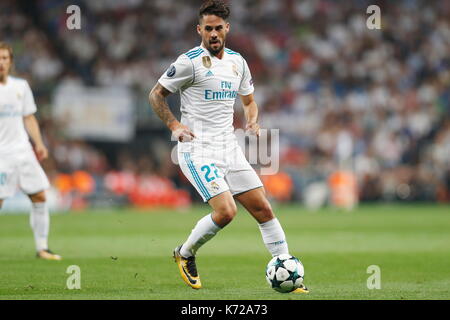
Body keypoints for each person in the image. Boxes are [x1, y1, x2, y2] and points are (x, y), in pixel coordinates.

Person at [149, 0, 307, 293]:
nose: (213, 33)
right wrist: (174, 125)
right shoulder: (189, 61)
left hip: (228, 148)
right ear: (199, 30)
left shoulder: (238, 62)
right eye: (207, 28)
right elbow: (156, 95)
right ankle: (185, 253)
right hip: (197, 149)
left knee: (263, 209)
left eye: (218, 28)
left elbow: (249, 101)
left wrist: (253, 121)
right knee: (226, 212)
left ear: (227, 29)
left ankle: (287, 268)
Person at [0, 42, 61, 260]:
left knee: (39, 195)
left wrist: (39, 143)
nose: (1, 62)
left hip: (23, 151)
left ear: (11, 62)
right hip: (1, 156)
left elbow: (28, 117)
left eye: (5, 58)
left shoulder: (20, 87)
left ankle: (42, 248)